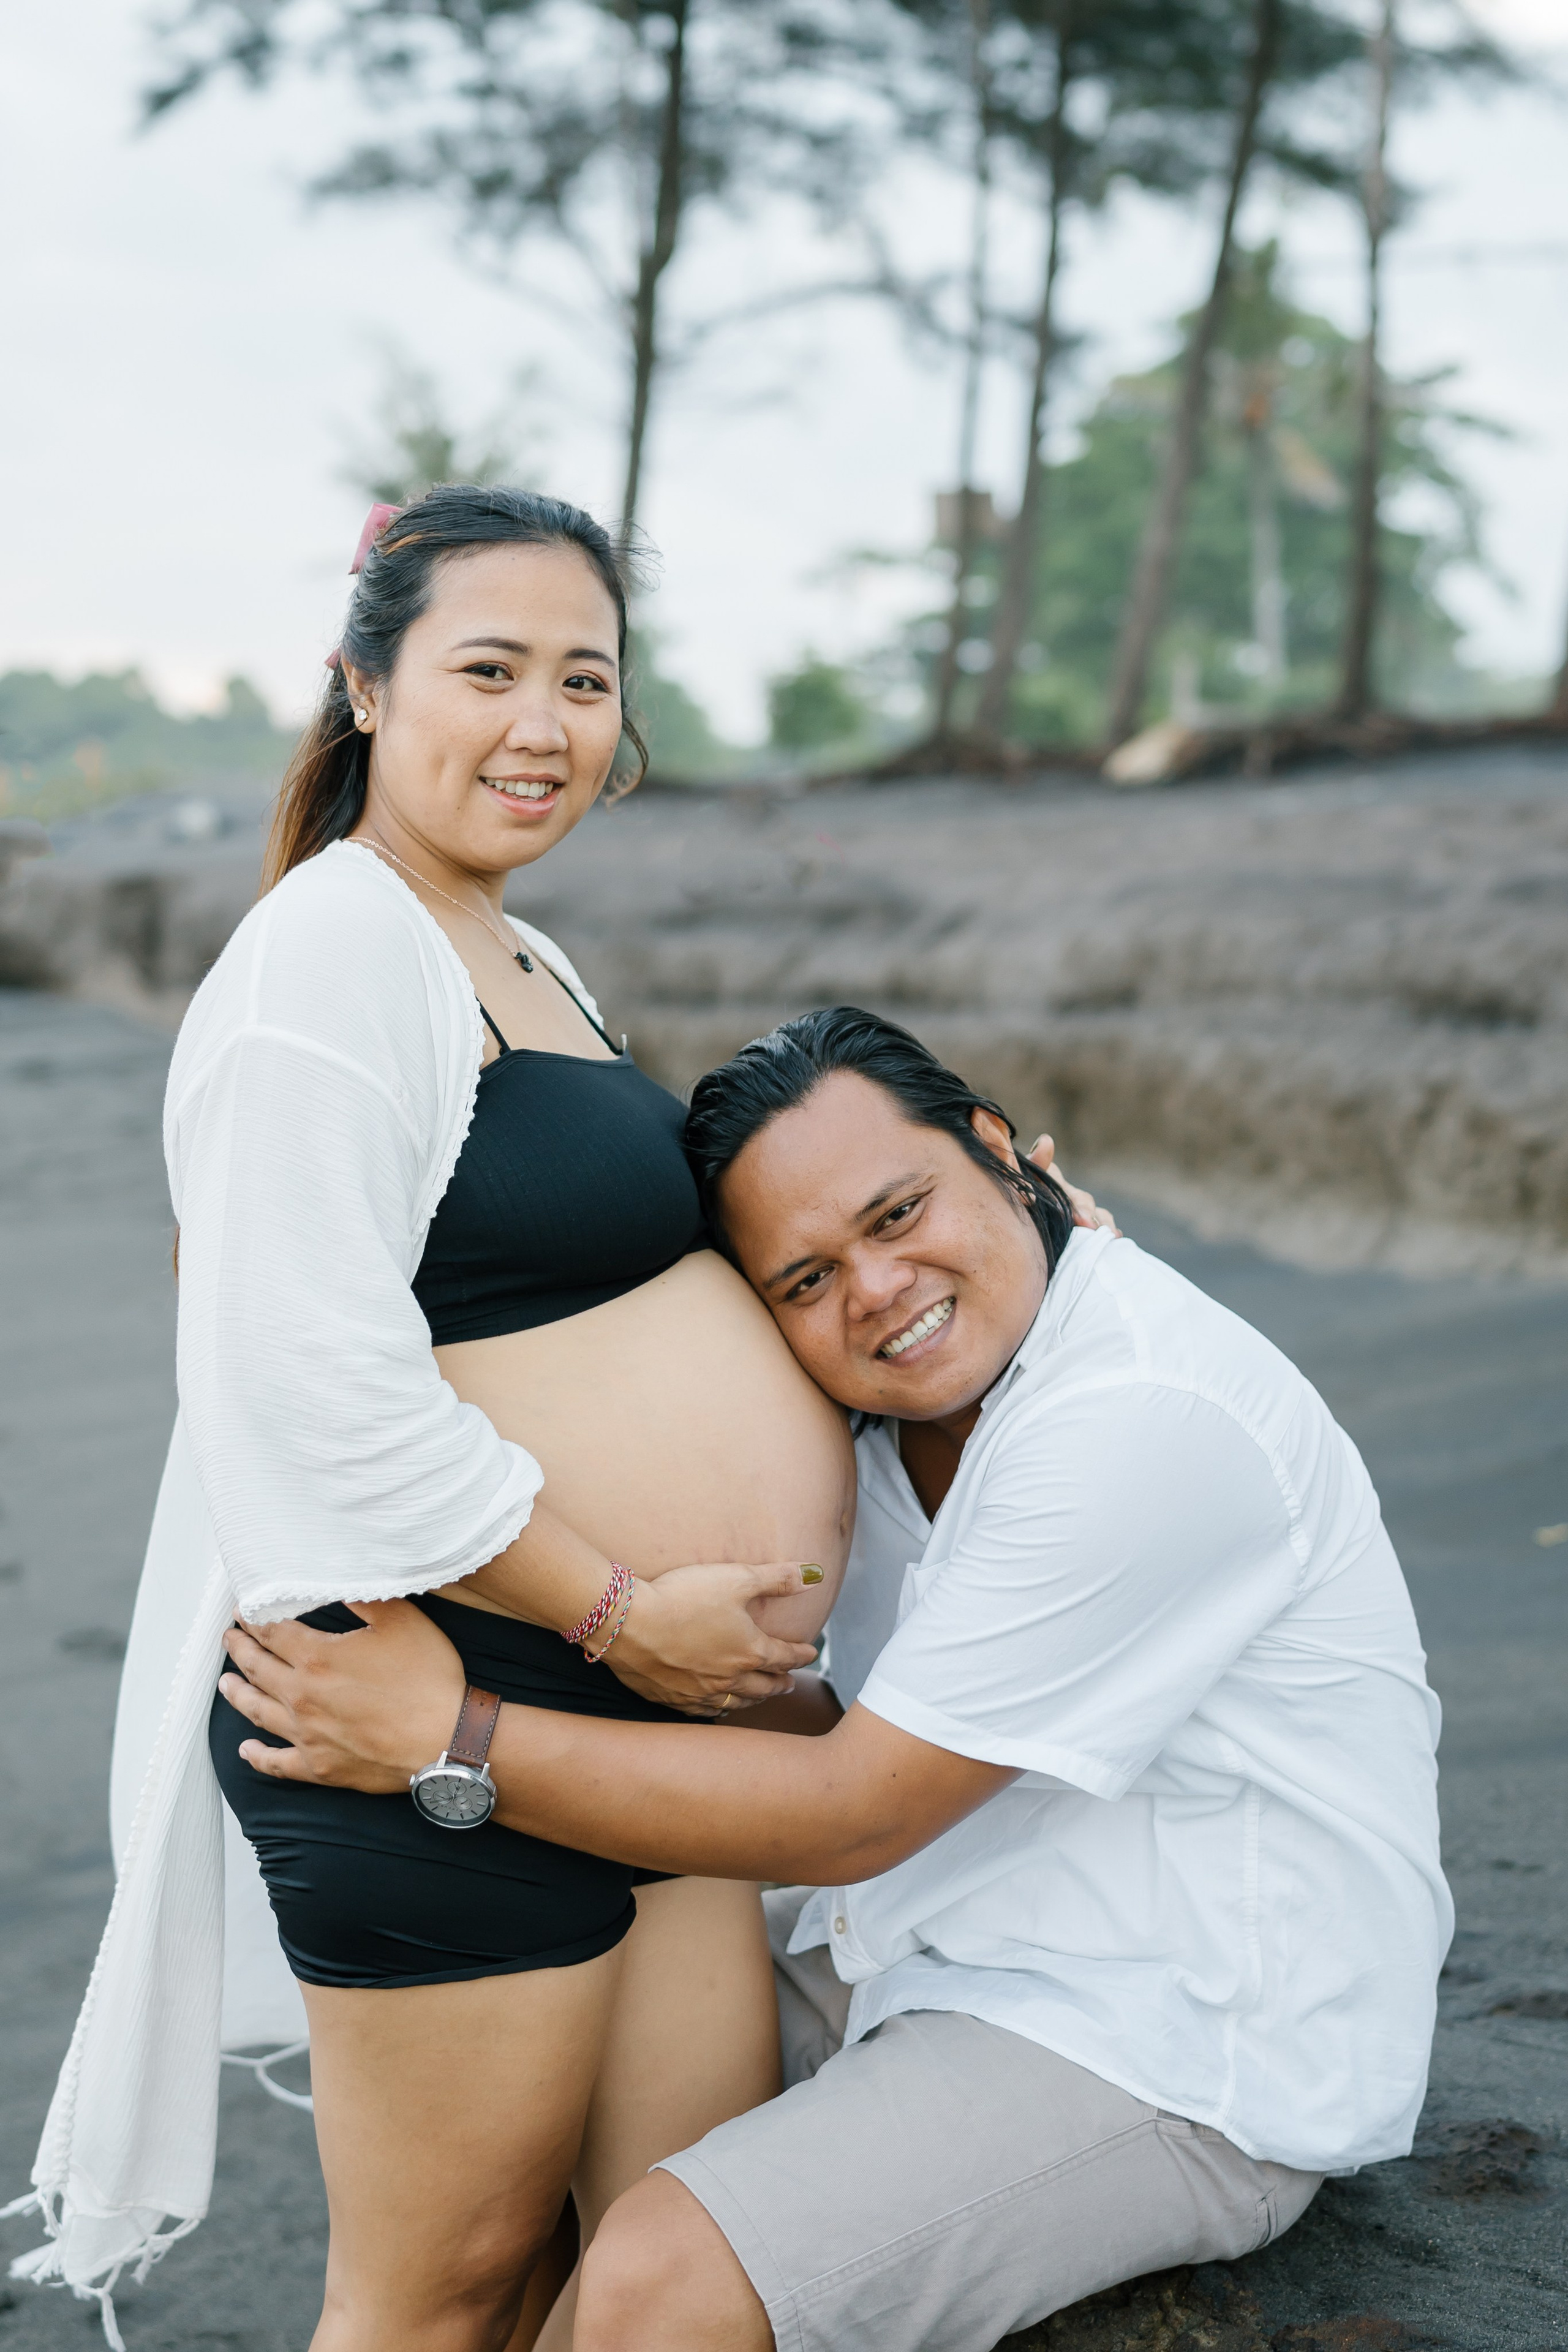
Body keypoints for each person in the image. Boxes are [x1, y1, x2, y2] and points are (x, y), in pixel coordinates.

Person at [9, 488, 923, 2352]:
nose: (544, 724)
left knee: (656, 2277)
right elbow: (307, 1381)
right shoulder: (327, 963)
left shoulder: (514, 953)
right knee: (448, 2295)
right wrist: (614, 1611)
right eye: (487, 669)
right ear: (361, 683)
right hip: (435, 1705)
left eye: (583, 679)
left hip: (649, 1721)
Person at [222, 1008, 1455, 2352]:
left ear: (1001, 1152)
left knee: (652, 2284)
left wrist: (449, 1735)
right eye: (801, 1280)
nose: (873, 1289)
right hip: (930, 1941)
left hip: (1169, 2038)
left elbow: (855, 1807)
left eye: (900, 1210)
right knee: (531, 2127)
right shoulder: (891, 1408)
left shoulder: (1140, 1416)